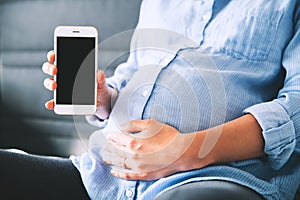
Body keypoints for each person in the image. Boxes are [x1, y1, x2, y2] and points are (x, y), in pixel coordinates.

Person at [2, 0, 300, 199]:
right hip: (104, 177)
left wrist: (186, 150)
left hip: (213, 180)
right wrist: (105, 99)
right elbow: (135, 70)